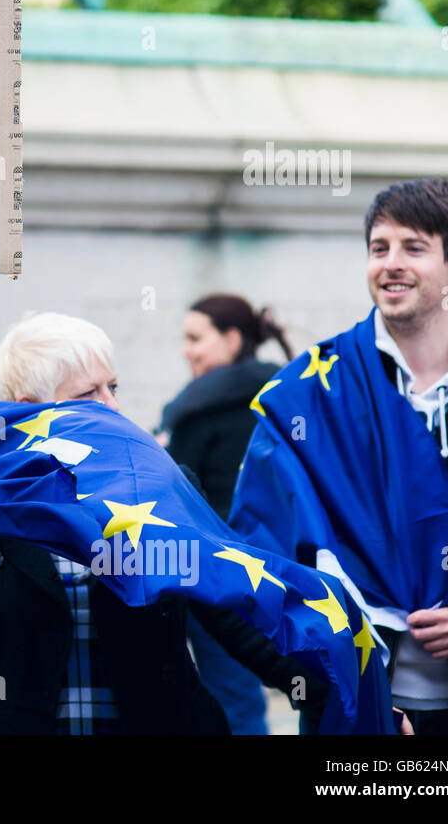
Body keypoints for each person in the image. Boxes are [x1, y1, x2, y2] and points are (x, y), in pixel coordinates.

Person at [0, 313, 231, 733]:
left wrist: (312, 658)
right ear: (32, 411)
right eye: (90, 393)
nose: (113, 405)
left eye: (113, 387)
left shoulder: (160, 485)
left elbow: (237, 599)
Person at [232, 178, 448, 735]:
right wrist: (349, 691)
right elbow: (255, 569)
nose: (391, 264)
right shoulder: (309, 393)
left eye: (413, 247)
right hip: (363, 722)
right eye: (379, 248)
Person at [159, 294, 292, 734]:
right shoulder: (277, 398)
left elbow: (185, 497)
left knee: (227, 699)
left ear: (232, 340)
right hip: (253, 572)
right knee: (236, 696)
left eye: (196, 338)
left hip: (210, 571)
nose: (186, 350)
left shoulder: (204, 407)